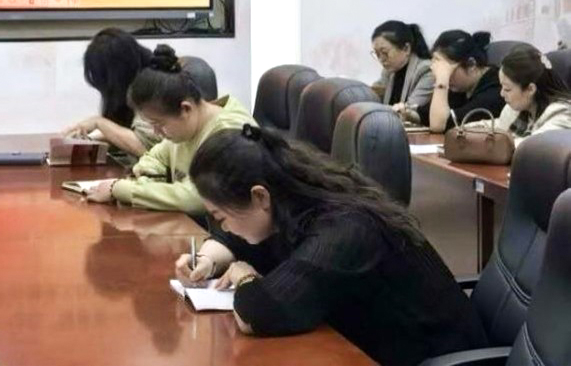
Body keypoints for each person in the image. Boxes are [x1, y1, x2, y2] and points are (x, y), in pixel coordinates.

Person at [175, 125, 488, 366]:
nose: (222, 226)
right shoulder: (294, 199)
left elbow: (262, 312)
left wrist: (243, 276)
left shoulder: (345, 228)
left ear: (259, 196)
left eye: (221, 216)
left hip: (431, 356)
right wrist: (208, 259)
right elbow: (239, 238)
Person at [81, 45, 253, 214]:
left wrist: (119, 189)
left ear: (185, 109)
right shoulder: (184, 129)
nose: (157, 132)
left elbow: (199, 197)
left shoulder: (230, 132)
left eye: (159, 124)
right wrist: (146, 178)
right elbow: (154, 157)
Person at [61, 28, 160, 162]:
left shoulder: (153, 86)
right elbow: (130, 133)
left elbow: (147, 148)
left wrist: (99, 123)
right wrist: (89, 140)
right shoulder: (134, 81)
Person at [412, 30, 504, 133]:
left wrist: (442, 81)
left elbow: (439, 125)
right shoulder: (462, 87)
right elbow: (425, 115)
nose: (445, 76)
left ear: (471, 64)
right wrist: (407, 113)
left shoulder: (496, 91)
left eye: (446, 70)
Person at [495, 43, 571, 142]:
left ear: (530, 89)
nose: (502, 94)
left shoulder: (562, 114)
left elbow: (533, 145)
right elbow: (496, 126)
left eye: (507, 89)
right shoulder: (520, 108)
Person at [369, 20, 434, 111]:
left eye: (384, 53)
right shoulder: (388, 71)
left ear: (406, 49)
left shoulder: (426, 70)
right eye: (377, 54)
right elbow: (374, 93)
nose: (381, 59)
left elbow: (410, 109)